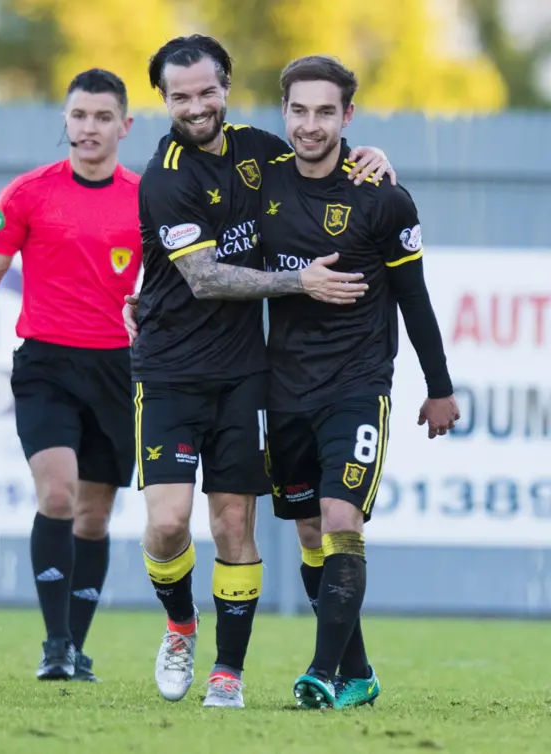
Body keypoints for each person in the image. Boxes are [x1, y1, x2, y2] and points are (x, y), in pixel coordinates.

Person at [128, 34, 394, 710]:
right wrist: (298, 281)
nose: (195, 106)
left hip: (247, 373)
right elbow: (206, 278)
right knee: (165, 524)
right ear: (164, 100)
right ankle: (181, 626)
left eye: (206, 90)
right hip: (168, 370)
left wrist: (373, 158)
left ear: (226, 87)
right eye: (179, 96)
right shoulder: (166, 178)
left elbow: (323, 160)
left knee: (232, 526)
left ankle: (228, 673)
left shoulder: (260, 151)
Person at [0, 68, 142, 682]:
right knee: (57, 495)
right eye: (79, 115)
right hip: (45, 364)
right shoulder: (27, 193)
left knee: (95, 517)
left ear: (125, 126)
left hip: (117, 370)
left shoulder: (145, 198)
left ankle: (76, 646)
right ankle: (54, 645)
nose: (89, 127)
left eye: (103, 117)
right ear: (65, 122)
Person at [260, 55, 460, 710]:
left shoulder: (382, 195)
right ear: (283, 110)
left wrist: (439, 385)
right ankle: (362, 674)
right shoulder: (258, 184)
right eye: (299, 110)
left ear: (348, 116)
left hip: (358, 384)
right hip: (284, 387)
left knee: (343, 519)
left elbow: (414, 296)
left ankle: (320, 674)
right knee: (311, 534)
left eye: (325, 111)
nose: (310, 125)